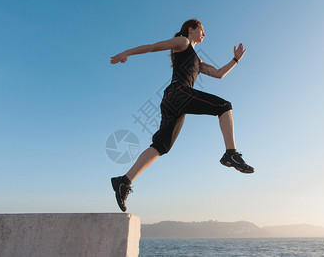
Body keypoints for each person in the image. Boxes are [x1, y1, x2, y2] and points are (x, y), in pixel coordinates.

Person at [109, 18, 254, 212]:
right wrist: (127, 53)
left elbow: (219, 74)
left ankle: (124, 181)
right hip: (178, 93)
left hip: (174, 101)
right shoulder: (183, 42)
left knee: (161, 146)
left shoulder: (196, 59)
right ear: (191, 29)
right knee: (224, 106)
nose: (204, 34)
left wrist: (235, 60)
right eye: (202, 29)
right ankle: (231, 154)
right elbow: (154, 47)